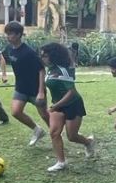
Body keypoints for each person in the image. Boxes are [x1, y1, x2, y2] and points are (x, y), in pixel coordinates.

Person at [40, 42, 94, 172]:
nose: (42, 58)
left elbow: (71, 93)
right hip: (57, 105)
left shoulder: (63, 70)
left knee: (72, 136)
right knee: (54, 132)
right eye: (41, 55)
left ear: (53, 56)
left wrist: (55, 106)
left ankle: (88, 142)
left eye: (45, 56)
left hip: (72, 104)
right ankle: (61, 162)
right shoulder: (50, 69)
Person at [2, 21, 50, 146]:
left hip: (35, 89)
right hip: (21, 88)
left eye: (11, 34)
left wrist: (41, 92)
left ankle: (56, 133)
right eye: (7, 33)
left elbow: (41, 70)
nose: (8, 36)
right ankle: (37, 130)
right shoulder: (9, 49)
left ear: (18, 35)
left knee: (45, 115)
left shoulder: (29, 52)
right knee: (16, 112)